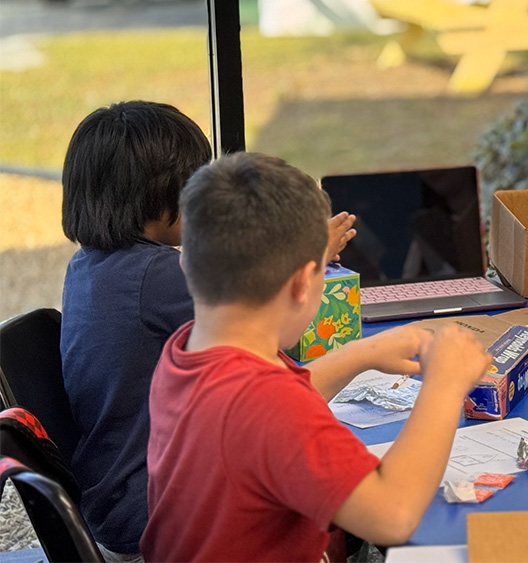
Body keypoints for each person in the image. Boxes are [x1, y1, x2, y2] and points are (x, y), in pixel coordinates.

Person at [140, 152, 492, 561]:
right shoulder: (269, 404)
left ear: (186, 263)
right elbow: (391, 516)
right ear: (301, 286)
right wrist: (445, 386)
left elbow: (269, 409)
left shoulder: (187, 349)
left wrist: (362, 353)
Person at [58, 102, 356, 560]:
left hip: (115, 497)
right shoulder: (158, 275)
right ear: (159, 194)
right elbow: (277, 334)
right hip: (153, 512)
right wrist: (308, 256)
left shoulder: (90, 265)